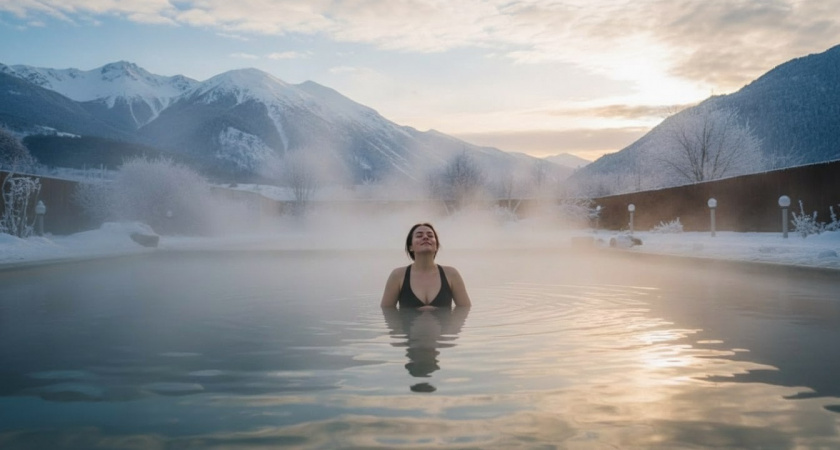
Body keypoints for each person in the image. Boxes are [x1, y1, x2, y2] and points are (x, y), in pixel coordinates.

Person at [380, 223, 471, 309]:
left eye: (430, 236)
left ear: (436, 246)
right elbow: (387, 313)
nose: (425, 237)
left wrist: (440, 313)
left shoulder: (451, 274)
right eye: (419, 236)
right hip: (408, 326)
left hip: (444, 326)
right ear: (410, 247)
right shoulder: (398, 275)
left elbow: (465, 310)